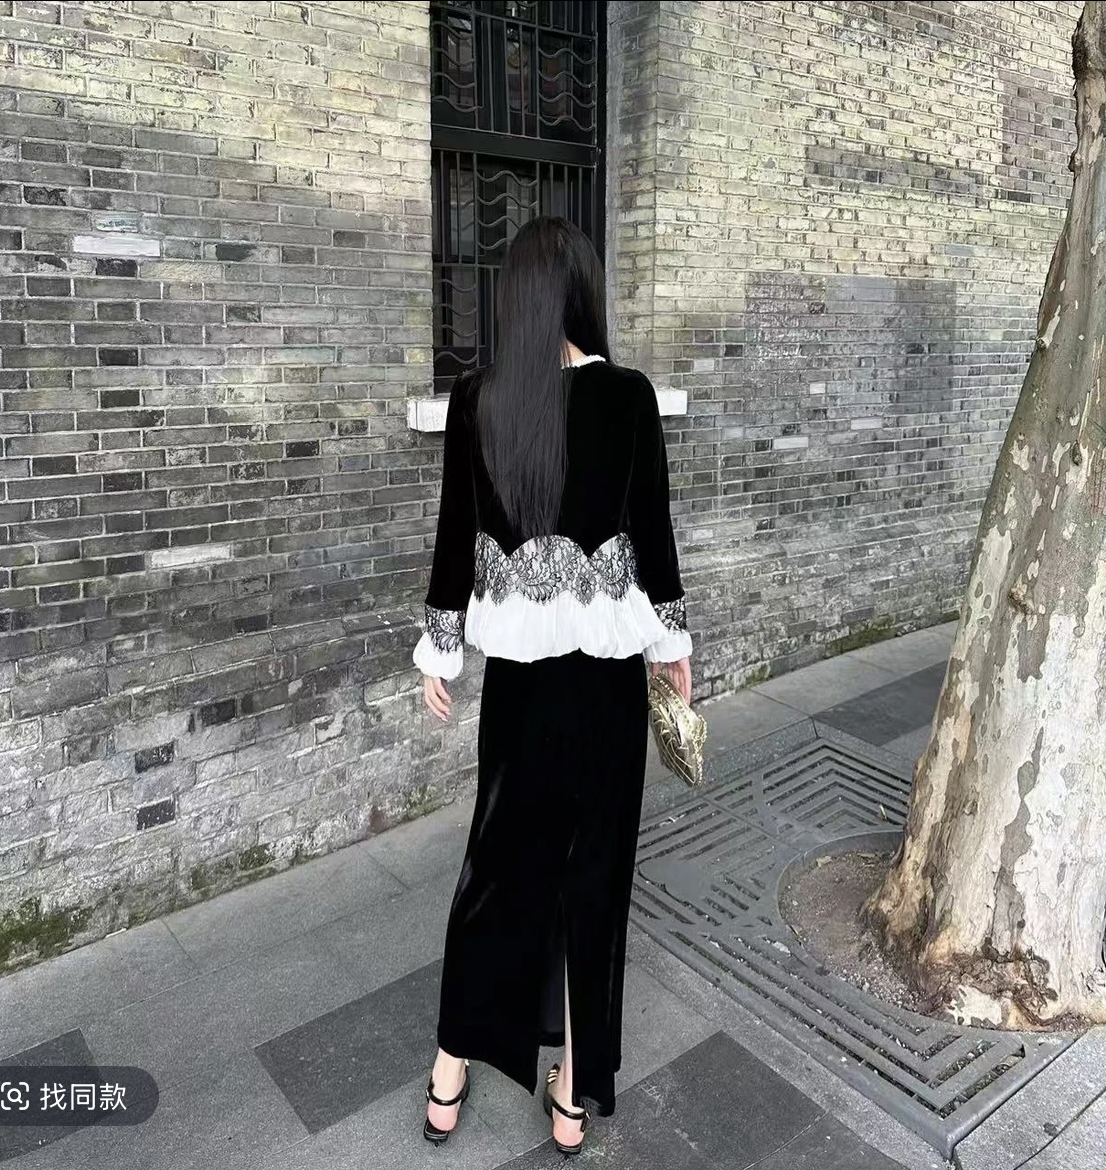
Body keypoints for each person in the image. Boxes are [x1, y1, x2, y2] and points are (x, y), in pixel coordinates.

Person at [412, 215, 692, 1156]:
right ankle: (572, 1095)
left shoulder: (479, 398)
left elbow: (454, 536)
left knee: (497, 868)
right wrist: (673, 646)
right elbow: (654, 534)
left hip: (520, 689)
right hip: (606, 685)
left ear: (518, 299)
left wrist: (440, 654)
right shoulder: (627, 396)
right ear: (580, 292)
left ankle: (448, 1074)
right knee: (593, 880)